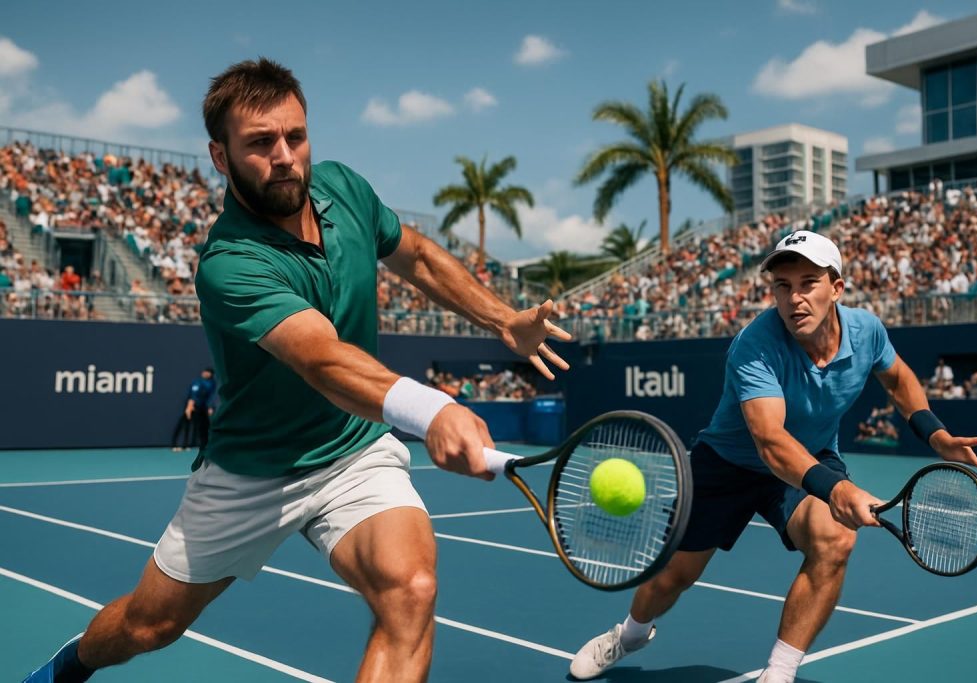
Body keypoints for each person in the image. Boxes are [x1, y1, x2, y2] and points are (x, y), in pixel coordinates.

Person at [24, 58, 571, 683]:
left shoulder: (345, 188)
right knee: (150, 627)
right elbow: (322, 358)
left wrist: (501, 318)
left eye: (296, 136)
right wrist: (433, 409)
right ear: (221, 157)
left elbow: (414, 255)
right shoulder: (229, 262)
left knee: (411, 589)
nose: (285, 156)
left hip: (352, 451)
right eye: (260, 143)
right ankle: (73, 663)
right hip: (252, 472)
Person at [569, 230, 977, 682]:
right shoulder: (755, 344)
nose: (794, 298)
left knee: (836, 540)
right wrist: (837, 487)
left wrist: (935, 433)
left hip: (811, 455)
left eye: (808, 282)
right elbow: (769, 439)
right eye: (783, 286)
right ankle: (629, 635)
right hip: (726, 463)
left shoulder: (867, 331)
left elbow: (899, 379)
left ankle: (779, 674)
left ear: (836, 288)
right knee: (674, 578)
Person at [170, 368, 217, 451]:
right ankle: (176, 444)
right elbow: (193, 396)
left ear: (211, 374)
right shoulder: (198, 382)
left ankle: (189, 445)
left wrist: (210, 407)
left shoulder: (212, 383)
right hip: (192, 406)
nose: (205, 373)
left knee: (202, 426)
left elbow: (211, 396)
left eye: (207, 372)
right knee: (184, 424)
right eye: (205, 371)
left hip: (202, 408)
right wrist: (189, 407)